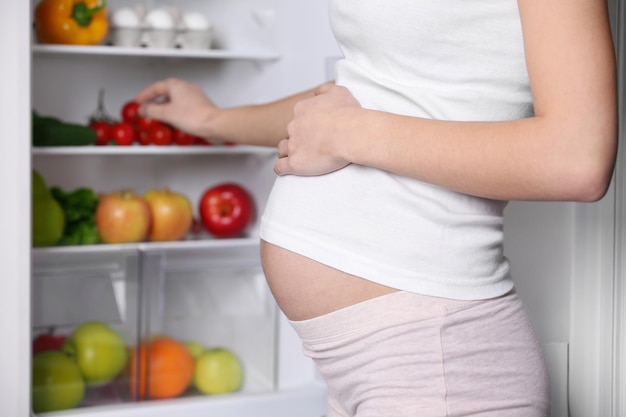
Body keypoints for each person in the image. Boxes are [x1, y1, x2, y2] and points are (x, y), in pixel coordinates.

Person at [135, 0, 617, 415]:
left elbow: (576, 157)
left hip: (437, 365)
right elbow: (369, 97)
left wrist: (349, 134)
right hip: (368, 364)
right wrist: (212, 120)